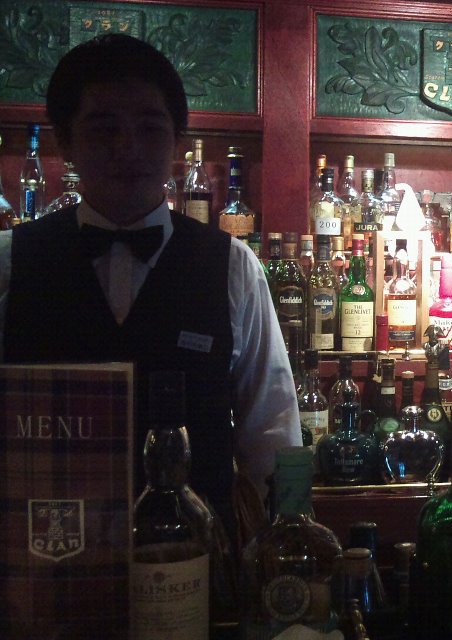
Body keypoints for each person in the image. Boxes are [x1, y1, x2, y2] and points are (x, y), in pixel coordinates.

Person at [0, 33, 300, 530]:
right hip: (48, 553)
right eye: (104, 128)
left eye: (150, 127)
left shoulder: (232, 266)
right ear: (65, 141)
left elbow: (272, 430)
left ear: (177, 141)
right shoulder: (10, 261)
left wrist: (286, 541)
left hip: (198, 556)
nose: (128, 147)